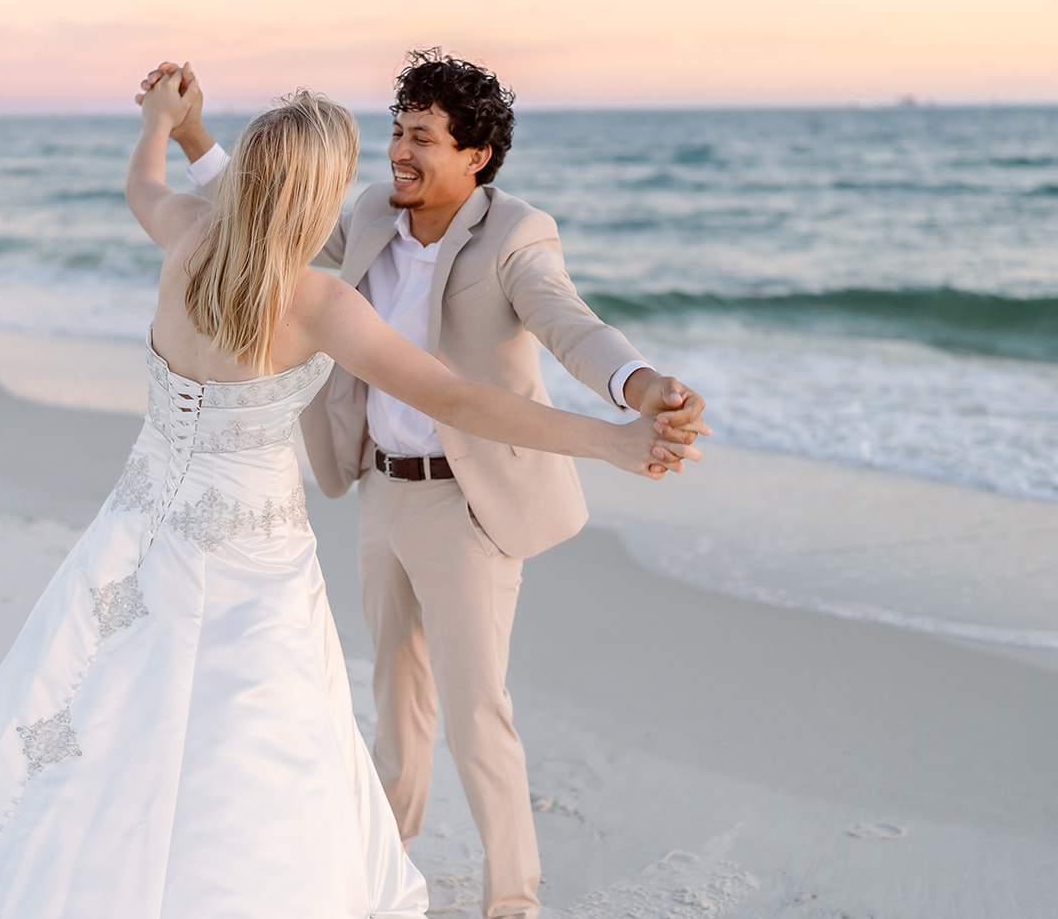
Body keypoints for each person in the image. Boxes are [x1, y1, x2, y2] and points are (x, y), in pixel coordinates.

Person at [0, 73, 694, 918]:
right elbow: (451, 397)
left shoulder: (189, 236)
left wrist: (165, 124)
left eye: (419, 137)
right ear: (316, 190)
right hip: (271, 549)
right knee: (268, 729)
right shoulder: (317, 300)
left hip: (147, 524)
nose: (390, 161)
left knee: (113, 700)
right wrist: (614, 445)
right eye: (377, 148)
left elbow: (142, 188)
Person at [139, 50, 710, 919]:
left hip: (467, 504)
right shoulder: (371, 211)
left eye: (423, 139)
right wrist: (194, 137)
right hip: (380, 486)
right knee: (395, 707)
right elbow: (260, 222)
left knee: (478, 712)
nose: (399, 153)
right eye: (397, 132)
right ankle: (380, 875)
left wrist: (640, 389)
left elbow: (571, 327)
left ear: (476, 154)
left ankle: (512, 899)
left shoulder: (516, 235)